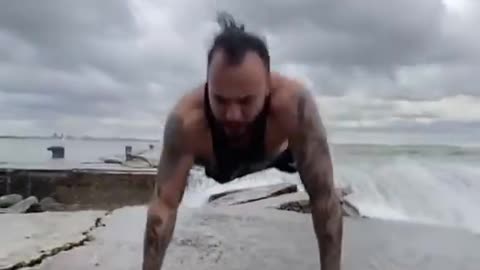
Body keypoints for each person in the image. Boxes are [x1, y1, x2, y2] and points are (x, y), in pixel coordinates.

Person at [142, 12, 343, 270]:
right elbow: (164, 207)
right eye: (221, 100)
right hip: (218, 162)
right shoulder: (186, 121)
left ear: (268, 86)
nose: (233, 115)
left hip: (277, 154)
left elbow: (324, 197)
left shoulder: (294, 106)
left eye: (246, 101)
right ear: (208, 85)